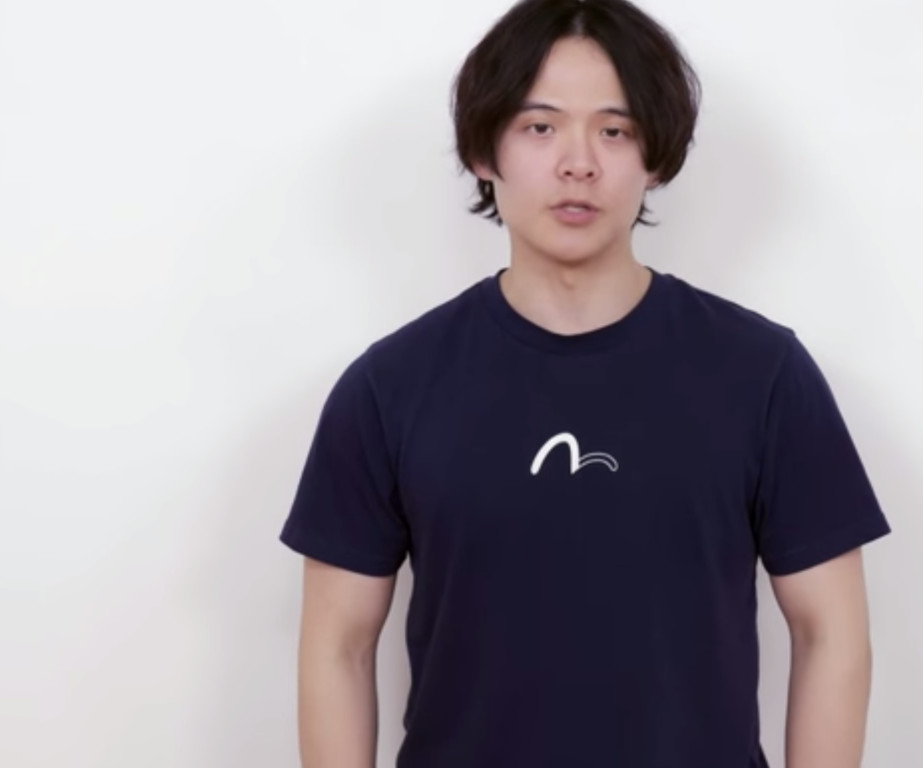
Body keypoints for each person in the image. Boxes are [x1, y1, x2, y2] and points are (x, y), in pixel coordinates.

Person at [279, 0, 892, 766]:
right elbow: (338, 647)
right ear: (483, 151)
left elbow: (831, 633)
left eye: (615, 130)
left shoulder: (762, 374)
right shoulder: (389, 387)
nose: (579, 163)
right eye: (540, 127)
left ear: (655, 157)